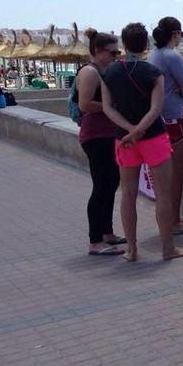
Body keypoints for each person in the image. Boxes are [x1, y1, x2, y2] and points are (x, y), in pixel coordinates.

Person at [100, 22, 183, 263]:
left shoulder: (109, 72)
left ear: (123, 43)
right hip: (154, 137)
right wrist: (140, 129)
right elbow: (156, 108)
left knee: (128, 194)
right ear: (146, 44)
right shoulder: (153, 73)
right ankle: (167, 248)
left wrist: (129, 130)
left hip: (124, 140)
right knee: (163, 194)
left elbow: (108, 108)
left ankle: (131, 249)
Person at [77, 29, 126, 256]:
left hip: (107, 134)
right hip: (95, 136)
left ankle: (107, 232)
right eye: (113, 53)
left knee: (111, 183)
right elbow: (85, 104)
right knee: (101, 186)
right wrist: (111, 106)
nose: (116, 57)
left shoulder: (103, 70)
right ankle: (95, 240)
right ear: (98, 51)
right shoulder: (90, 72)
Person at [148, 16, 183, 236]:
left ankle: (168, 219)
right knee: (177, 174)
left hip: (158, 119)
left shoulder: (153, 55)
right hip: (175, 118)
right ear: (175, 34)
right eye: (181, 35)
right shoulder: (172, 55)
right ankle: (174, 221)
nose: (181, 39)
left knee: (163, 177)